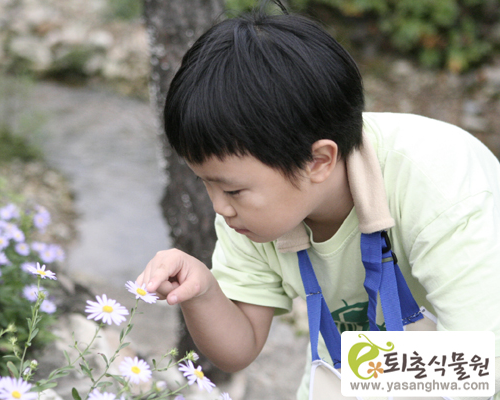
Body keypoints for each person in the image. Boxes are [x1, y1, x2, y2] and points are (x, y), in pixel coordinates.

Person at [136, 5, 500, 399]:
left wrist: (365, 373)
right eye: (205, 183)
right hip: (355, 376)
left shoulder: (442, 186)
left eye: (232, 190)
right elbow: (238, 349)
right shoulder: (252, 213)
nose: (219, 208)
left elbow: (484, 366)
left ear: (319, 161)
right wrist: (203, 291)